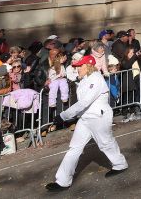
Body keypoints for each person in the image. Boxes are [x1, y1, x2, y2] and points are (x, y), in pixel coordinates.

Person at [45, 55, 128, 192]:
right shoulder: (84, 80)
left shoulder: (96, 79)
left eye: (79, 66)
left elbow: (84, 102)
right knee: (74, 148)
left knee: (105, 143)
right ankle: (63, 181)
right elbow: (82, 104)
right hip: (85, 119)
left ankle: (120, 164)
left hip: (98, 117)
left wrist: (64, 116)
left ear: (88, 66)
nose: (77, 69)